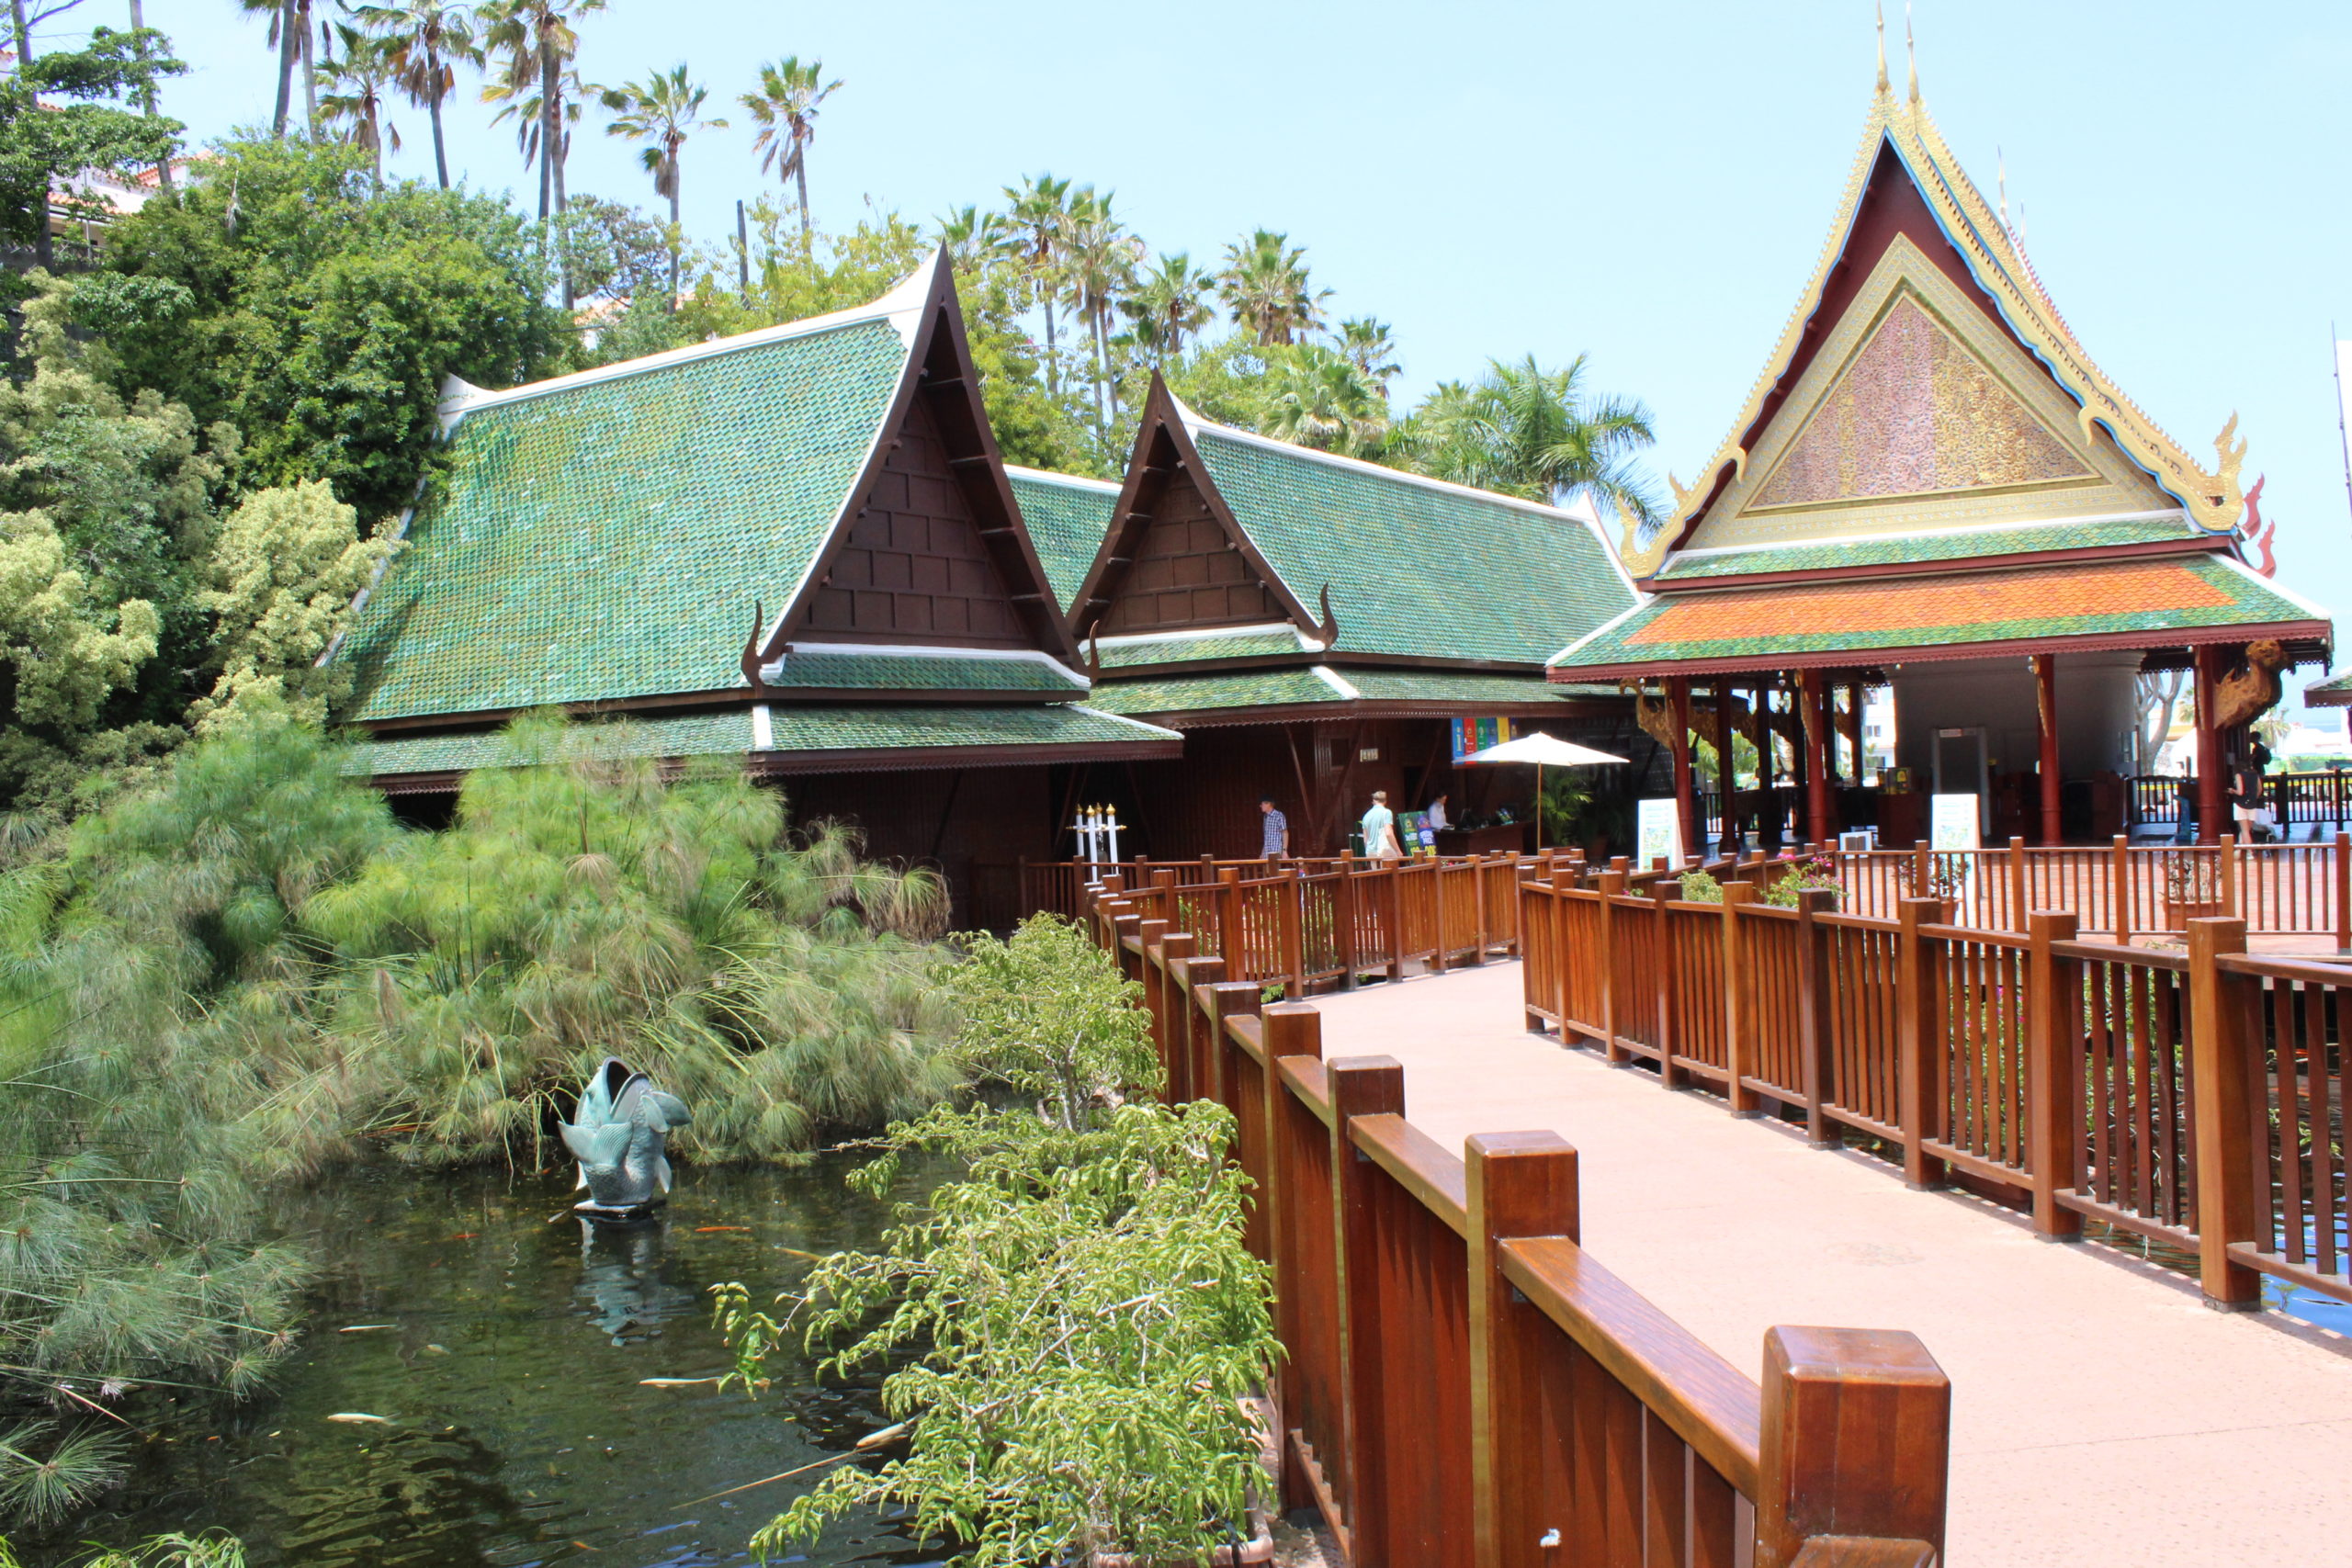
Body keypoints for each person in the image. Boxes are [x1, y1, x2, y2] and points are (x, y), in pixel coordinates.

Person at [2233, 743, 2273, 842]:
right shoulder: (2255, 775)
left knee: (2244, 830)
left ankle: (2249, 852)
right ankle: (2240, 851)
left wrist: (2232, 790)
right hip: (2252, 804)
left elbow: (2240, 791)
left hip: (2240, 804)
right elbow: (2260, 789)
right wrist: (2254, 797)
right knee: (2247, 830)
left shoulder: (2239, 775)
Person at [1361, 789, 1402, 862]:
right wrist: (1398, 851)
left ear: (1374, 801)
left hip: (1370, 852)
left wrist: (1368, 852)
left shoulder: (1366, 816)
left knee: (1376, 873)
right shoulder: (1386, 813)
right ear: (1385, 801)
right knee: (1392, 871)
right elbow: (1389, 833)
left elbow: (1365, 840)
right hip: (1384, 851)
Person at [1259, 795, 1289, 859]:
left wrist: (1284, 851)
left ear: (1268, 804)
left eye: (1262, 804)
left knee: (1274, 868)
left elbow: (1285, 833)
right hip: (1266, 852)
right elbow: (1266, 836)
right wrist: (1262, 852)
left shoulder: (1279, 815)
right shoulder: (1265, 817)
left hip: (1275, 850)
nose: (1260, 806)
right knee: (1266, 869)